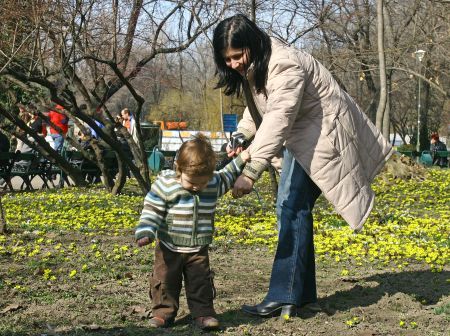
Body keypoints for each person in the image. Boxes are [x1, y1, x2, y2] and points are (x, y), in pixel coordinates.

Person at [212, 14, 393, 318]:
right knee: (294, 208)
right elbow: (259, 104)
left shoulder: (284, 64)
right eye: (226, 59)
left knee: (290, 206)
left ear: (252, 44)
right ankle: (301, 295)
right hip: (304, 135)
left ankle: (286, 294)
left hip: (321, 136)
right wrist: (242, 135)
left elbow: (278, 118)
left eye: (235, 56)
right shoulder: (260, 62)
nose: (232, 64)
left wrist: (251, 171)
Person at [135, 133, 250, 330]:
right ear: (179, 170)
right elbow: (152, 208)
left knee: (201, 282)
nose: (197, 187)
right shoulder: (167, 184)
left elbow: (229, 173)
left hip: (198, 248)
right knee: (164, 281)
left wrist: (242, 158)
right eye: (191, 182)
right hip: (168, 246)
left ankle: (203, 314)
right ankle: (163, 313)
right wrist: (146, 230)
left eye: (202, 182)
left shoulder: (212, 183)